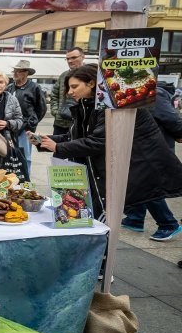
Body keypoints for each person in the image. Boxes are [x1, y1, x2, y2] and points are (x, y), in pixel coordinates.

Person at [33, 64, 182, 225]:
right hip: (106, 170)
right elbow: (74, 136)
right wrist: (45, 140)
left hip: (132, 167)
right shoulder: (87, 105)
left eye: (74, 86)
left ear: (91, 83)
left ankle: (165, 224)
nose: (70, 92)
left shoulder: (112, 106)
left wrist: (57, 147)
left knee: (103, 218)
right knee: (95, 218)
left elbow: (100, 142)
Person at [121, 79, 182, 240]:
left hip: (154, 146)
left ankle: (168, 223)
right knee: (138, 182)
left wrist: (179, 134)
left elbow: (172, 119)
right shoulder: (134, 92)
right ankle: (135, 218)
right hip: (144, 145)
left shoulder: (155, 93)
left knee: (149, 185)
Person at [6, 59, 46, 178]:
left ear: (26, 73)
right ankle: (12, 178)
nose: (15, 73)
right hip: (11, 126)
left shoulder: (34, 87)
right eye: (14, 71)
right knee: (11, 154)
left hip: (26, 128)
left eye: (18, 71)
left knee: (25, 155)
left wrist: (32, 122)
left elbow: (41, 108)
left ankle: (25, 179)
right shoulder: (10, 87)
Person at [51, 47, 84, 135]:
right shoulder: (63, 75)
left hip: (80, 124)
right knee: (57, 147)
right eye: (68, 58)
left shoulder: (89, 74)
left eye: (73, 58)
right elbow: (54, 95)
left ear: (83, 57)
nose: (70, 61)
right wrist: (56, 112)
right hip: (60, 123)